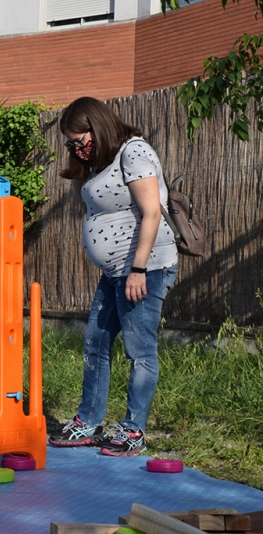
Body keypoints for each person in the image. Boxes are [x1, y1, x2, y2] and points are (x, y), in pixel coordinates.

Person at [48, 97, 178, 457]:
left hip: (144, 268)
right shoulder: (98, 163)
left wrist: (137, 269)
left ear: (98, 126)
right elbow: (90, 203)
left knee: (139, 351)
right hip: (114, 271)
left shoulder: (134, 152)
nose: (76, 148)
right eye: (70, 144)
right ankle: (88, 421)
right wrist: (81, 164)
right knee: (96, 342)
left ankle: (133, 430)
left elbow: (151, 213)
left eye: (80, 141)